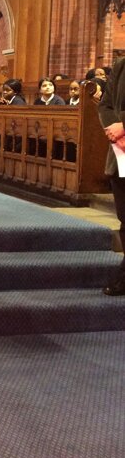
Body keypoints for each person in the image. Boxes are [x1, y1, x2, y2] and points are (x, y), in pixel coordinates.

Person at [99, 57, 125, 295]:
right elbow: (105, 105)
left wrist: (123, 124)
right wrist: (115, 130)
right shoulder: (121, 65)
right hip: (121, 152)